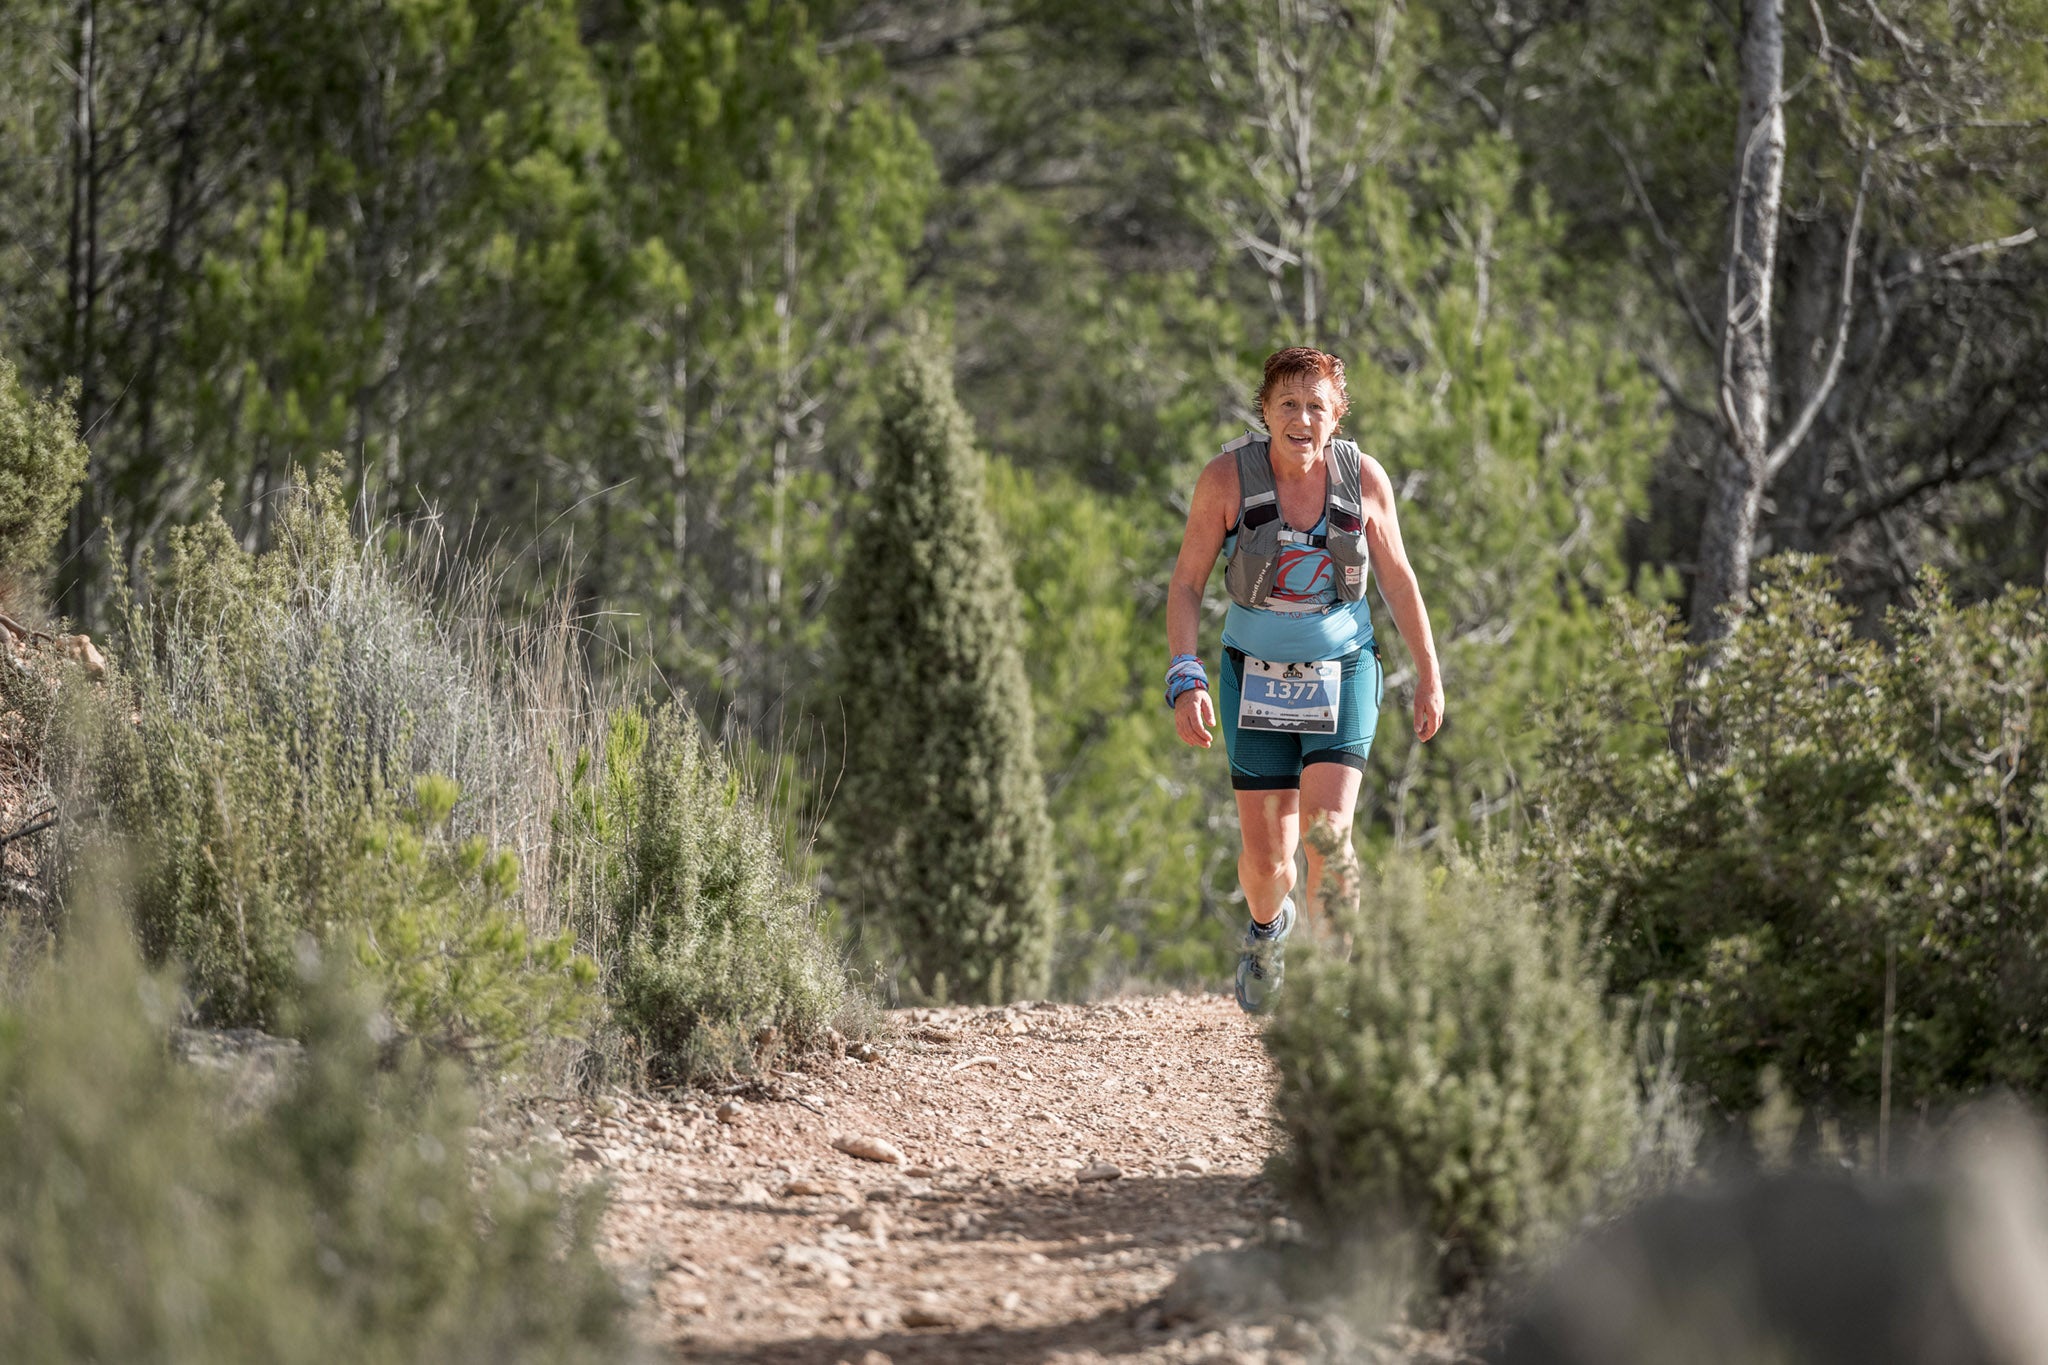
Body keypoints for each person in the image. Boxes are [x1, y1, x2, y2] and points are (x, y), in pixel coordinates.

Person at [1166, 347, 1443, 1012]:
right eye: (1287, 403)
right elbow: (1185, 582)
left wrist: (1430, 673)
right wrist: (1187, 675)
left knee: (1330, 834)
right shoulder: (1226, 479)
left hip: (1341, 672)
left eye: (1316, 404)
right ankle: (1267, 927)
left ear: (1337, 415)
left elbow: (1399, 579)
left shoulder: (1364, 480)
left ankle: (1332, 995)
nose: (1301, 417)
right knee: (1267, 864)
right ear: (1264, 411)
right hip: (1250, 676)